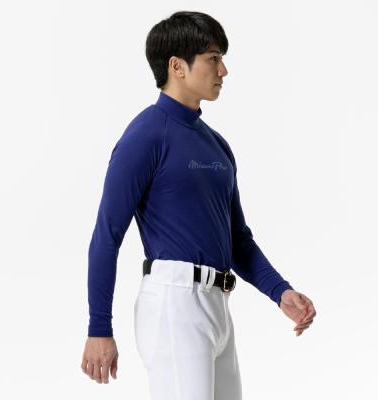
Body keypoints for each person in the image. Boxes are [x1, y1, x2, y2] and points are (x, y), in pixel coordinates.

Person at [81, 10, 316, 399]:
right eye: (213, 58)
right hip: (174, 304)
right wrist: (99, 328)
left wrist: (280, 291)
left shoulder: (217, 145)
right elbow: (106, 236)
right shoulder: (146, 135)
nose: (223, 70)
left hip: (218, 304)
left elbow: (237, 239)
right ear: (177, 66)